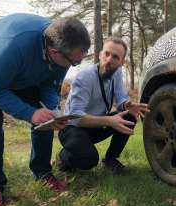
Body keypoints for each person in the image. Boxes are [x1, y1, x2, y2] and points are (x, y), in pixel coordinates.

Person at [0, 13, 90, 206]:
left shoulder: (60, 48)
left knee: (47, 117)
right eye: (74, 63)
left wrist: (53, 110)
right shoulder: (14, 44)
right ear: (54, 52)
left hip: (22, 69)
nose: (74, 66)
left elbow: (49, 84)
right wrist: (30, 113)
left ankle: (43, 172)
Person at [57, 37, 149, 175]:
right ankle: (62, 157)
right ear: (100, 55)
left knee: (129, 116)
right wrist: (109, 120)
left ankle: (111, 160)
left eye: (115, 57)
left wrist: (126, 105)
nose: (109, 59)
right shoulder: (84, 77)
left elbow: (121, 99)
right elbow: (75, 117)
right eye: (107, 54)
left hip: (95, 125)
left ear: (121, 63)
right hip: (71, 128)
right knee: (90, 160)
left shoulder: (117, 73)